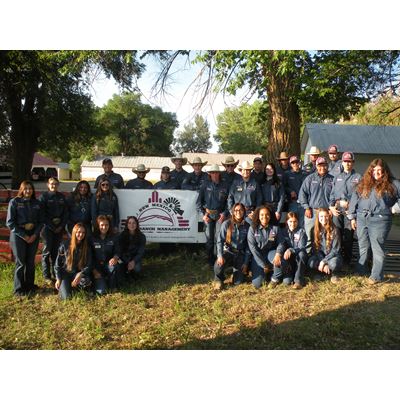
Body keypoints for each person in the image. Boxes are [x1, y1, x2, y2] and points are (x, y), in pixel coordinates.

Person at [348, 158, 400, 284]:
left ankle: (376, 276)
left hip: (380, 220)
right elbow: (355, 198)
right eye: (374, 169)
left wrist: (395, 208)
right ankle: (361, 270)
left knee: (377, 248)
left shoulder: (393, 183)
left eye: (379, 170)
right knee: (363, 246)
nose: (376, 172)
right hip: (361, 218)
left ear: (384, 171)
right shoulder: (364, 182)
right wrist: (352, 217)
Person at [6, 181, 44, 296]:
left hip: (33, 236)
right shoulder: (15, 202)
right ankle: (18, 289)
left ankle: (29, 285)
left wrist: (34, 235)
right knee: (21, 262)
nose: (28, 191)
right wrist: (24, 236)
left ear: (33, 190)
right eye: (25, 188)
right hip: (18, 236)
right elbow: (10, 223)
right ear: (21, 189)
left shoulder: (37, 203)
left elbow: (41, 221)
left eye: (30, 188)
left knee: (30, 262)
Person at [328, 152, 361, 269]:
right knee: (337, 236)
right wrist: (331, 207)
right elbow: (332, 195)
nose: (347, 163)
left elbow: (360, 196)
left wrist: (351, 208)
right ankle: (337, 259)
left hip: (349, 213)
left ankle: (347, 261)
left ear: (353, 162)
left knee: (348, 237)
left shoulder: (358, 177)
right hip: (337, 211)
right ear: (342, 162)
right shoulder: (337, 177)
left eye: (349, 161)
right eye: (345, 161)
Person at [298, 156, 334, 251]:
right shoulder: (310, 179)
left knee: (327, 235)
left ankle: (325, 255)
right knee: (309, 236)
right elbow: (302, 194)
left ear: (327, 166)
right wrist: (306, 207)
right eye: (320, 165)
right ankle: (308, 256)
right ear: (316, 166)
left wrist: (331, 208)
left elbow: (335, 196)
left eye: (324, 165)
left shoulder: (332, 179)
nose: (322, 168)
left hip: (326, 213)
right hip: (312, 212)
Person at [196, 164, 229, 266]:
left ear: (219, 173)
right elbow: (198, 203)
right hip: (208, 215)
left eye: (216, 172)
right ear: (209, 174)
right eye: (212, 172)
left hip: (220, 216)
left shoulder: (225, 185)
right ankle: (210, 261)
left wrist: (224, 214)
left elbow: (229, 202)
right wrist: (203, 215)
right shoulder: (205, 185)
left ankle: (218, 260)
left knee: (219, 238)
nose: (215, 174)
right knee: (209, 239)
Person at [213, 203, 251, 290]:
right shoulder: (226, 223)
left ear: (244, 212)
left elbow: (249, 246)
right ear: (233, 212)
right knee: (218, 266)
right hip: (228, 252)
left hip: (240, 254)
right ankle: (219, 280)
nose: (238, 212)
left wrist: (245, 263)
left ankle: (235, 274)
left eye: (241, 210)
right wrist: (220, 256)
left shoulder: (247, 226)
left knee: (238, 282)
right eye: (236, 210)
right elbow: (220, 241)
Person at [39, 177, 68, 284]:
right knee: (46, 252)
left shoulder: (62, 197)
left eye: (55, 184)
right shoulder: (43, 197)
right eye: (51, 184)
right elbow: (42, 214)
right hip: (47, 229)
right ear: (48, 185)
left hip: (59, 229)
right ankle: (46, 276)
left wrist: (61, 226)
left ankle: (56, 274)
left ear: (58, 185)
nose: (53, 186)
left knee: (56, 252)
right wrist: (51, 226)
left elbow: (66, 213)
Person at [54, 223, 93, 300]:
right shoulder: (64, 245)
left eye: (83, 232)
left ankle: (76, 288)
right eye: (78, 232)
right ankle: (66, 288)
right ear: (74, 232)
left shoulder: (87, 247)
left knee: (86, 281)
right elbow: (57, 265)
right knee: (66, 298)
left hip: (77, 274)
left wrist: (81, 273)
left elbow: (89, 264)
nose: (81, 234)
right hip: (65, 274)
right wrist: (58, 278)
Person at [272, 212, 308, 289]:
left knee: (302, 254)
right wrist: (279, 253)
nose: (293, 224)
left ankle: (298, 281)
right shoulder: (283, 232)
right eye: (290, 221)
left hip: (298, 257)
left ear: (298, 222)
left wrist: (291, 250)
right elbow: (281, 244)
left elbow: (302, 246)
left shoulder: (302, 231)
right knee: (287, 282)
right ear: (286, 222)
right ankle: (281, 276)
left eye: (295, 221)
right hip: (288, 259)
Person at [247, 206, 280, 289]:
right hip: (258, 255)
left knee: (279, 261)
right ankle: (266, 271)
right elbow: (253, 249)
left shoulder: (275, 228)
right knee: (257, 284)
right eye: (262, 215)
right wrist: (263, 265)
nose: (264, 217)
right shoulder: (253, 229)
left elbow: (281, 243)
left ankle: (274, 278)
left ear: (270, 216)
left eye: (267, 214)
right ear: (258, 216)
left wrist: (278, 253)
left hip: (271, 253)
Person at [308, 208, 342, 283]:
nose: (324, 218)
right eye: (321, 216)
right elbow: (315, 249)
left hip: (332, 256)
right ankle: (319, 272)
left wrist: (324, 261)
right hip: (319, 256)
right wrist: (322, 260)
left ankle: (334, 273)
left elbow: (336, 250)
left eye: (326, 216)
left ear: (329, 216)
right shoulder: (313, 230)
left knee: (334, 263)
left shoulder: (335, 230)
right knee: (311, 262)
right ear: (318, 218)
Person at [91, 215, 122, 294]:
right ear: (98, 226)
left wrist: (115, 258)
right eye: (102, 225)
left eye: (106, 225)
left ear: (109, 225)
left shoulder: (114, 237)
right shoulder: (92, 238)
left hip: (108, 265)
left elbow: (118, 251)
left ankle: (113, 286)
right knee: (101, 291)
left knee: (115, 266)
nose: (104, 227)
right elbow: (89, 256)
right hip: (96, 267)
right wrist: (94, 270)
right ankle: (102, 281)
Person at [118, 216, 146, 280]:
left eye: (134, 223)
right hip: (124, 258)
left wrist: (133, 261)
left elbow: (140, 252)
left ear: (137, 224)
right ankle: (126, 273)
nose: (132, 225)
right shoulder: (121, 236)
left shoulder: (142, 236)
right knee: (119, 266)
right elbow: (120, 251)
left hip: (134, 258)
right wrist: (127, 261)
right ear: (127, 224)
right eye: (129, 223)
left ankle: (133, 274)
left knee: (137, 268)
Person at [284, 155, 307, 227]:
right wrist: (290, 191)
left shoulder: (305, 174)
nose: (295, 164)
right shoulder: (287, 174)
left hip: (303, 203)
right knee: (291, 222)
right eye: (293, 163)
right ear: (290, 164)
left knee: (302, 223)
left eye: (297, 162)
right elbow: (284, 187)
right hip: (292, 202)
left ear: (299, 163)